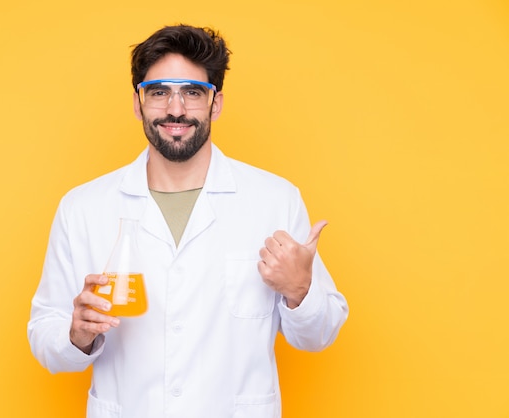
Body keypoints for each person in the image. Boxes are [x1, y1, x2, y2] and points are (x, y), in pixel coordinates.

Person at [28, 24, 349, 418]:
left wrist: (301, 289)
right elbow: (45, 334)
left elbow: (318, 336)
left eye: (193, 93)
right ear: (137, 103)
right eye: (159, 92)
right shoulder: (83, 208)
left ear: (216, 104)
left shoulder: (275, 200)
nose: (175, 109)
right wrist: (75, 335)